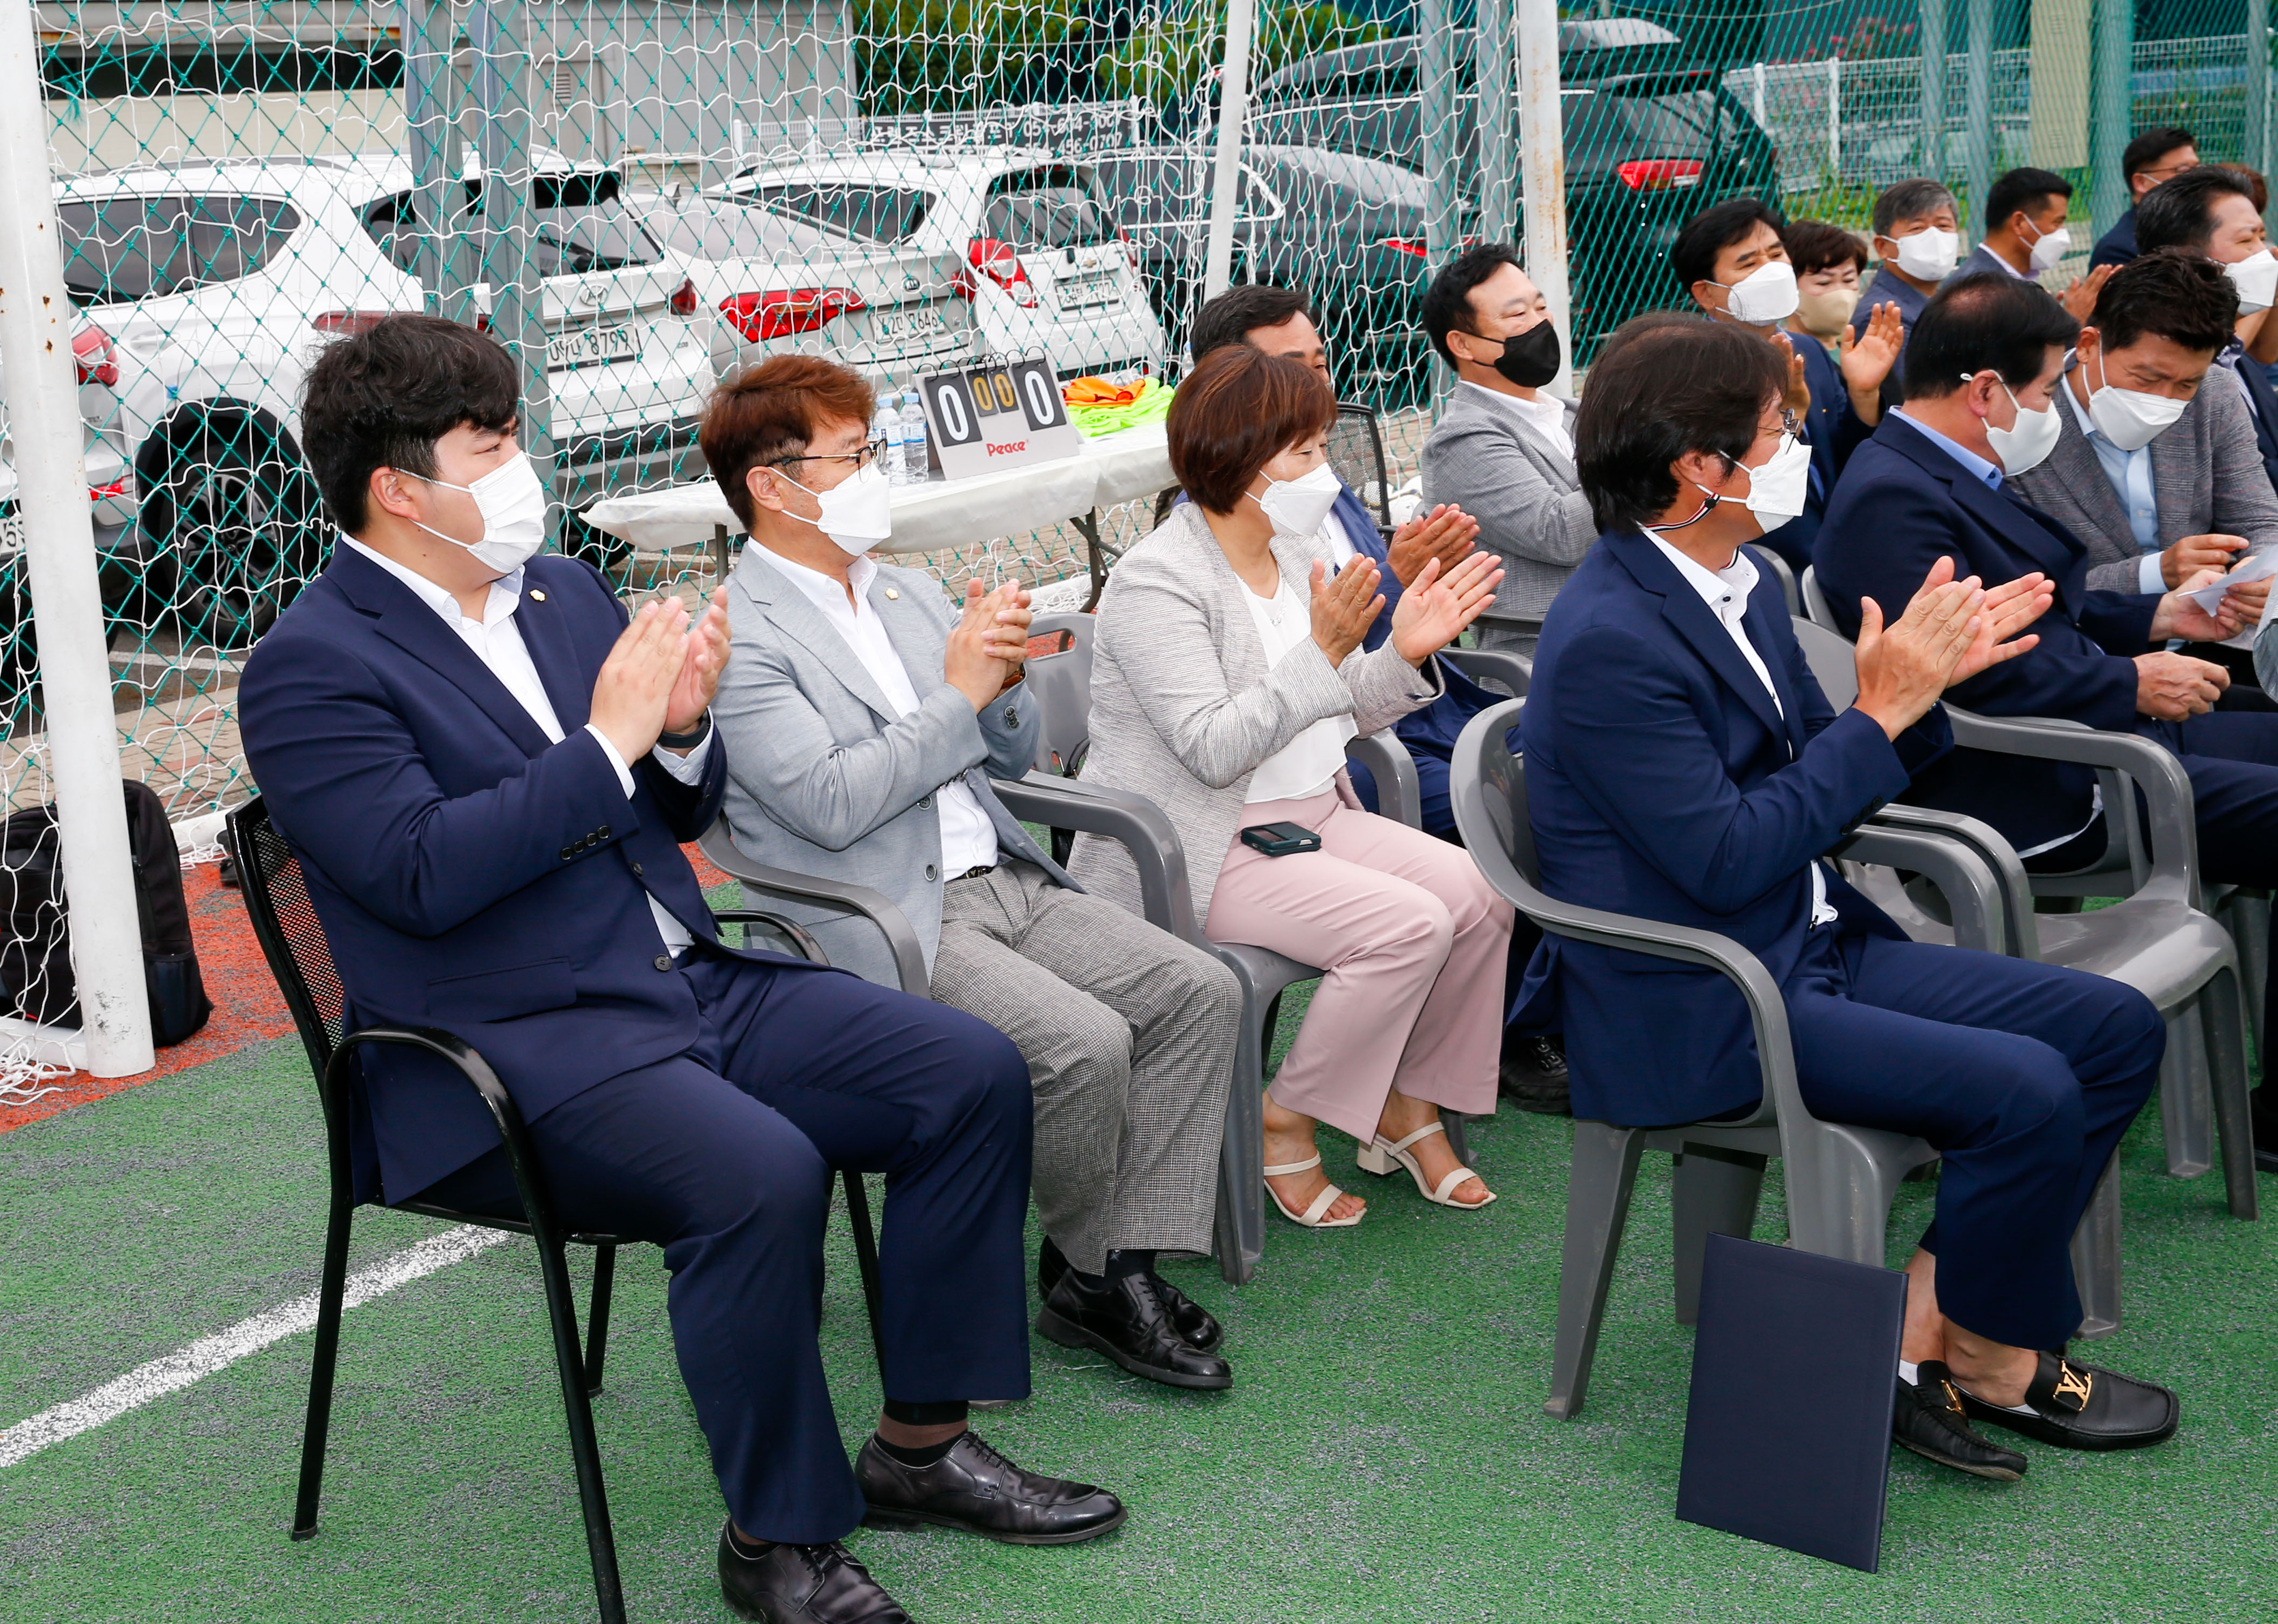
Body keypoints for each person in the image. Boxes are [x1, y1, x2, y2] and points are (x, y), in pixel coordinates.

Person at [236, 316, 1121, 1624]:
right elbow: (420, 872)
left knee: (966, 1070)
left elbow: (672, 817)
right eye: (490, 446)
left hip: (674, 979)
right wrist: (608, 742)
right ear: (399, 489)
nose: (521, 468)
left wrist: (684, 734)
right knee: (758, 1171)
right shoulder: (309, 666)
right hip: (509, 1048)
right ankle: (778, 1541)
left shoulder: (560, 594)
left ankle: (919, 1448)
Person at [1520, 313, 2177, 1482]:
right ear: (1699, 468)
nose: (1802, 445)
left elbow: (1830, 774)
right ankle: (1993, 1357)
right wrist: (1883, 710)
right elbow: (1729, 856)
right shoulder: (1610, 637)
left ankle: (1930, 1328)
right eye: (1777, 430)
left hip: (1806, 939)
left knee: (2113, 1029)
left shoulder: (1739, 579)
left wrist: (1921, 694)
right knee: (2026, 1090)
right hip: (1713, 995)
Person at [702, 354, 1242, 1393]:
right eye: (853, 455)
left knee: (1198, 992)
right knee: (1084, 1046)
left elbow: (1009, 758)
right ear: (772, 486)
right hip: (891, 910)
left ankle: (1103, 1264)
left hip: (1003, 873)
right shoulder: (739, 639)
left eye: (870, 449)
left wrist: (1003, 683)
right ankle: (1099, 1271)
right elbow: (831, 804)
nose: (874, 473)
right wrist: (960, 694)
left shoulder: (902, 589)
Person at [1817, 273, 2278, 1179]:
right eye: (2041, 392)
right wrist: (2128, 681)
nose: (2048, 412)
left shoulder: (1943, 470)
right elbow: (1973, 672)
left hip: (2096, 738)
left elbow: (2031, 613)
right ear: (1985, 391)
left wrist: (2158, 619)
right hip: (2042, 780)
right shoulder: (1895, 495)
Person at [1072, 344, 1512, 1228]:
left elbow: (1340, 710)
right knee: (1407, 924)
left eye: (1319, 446)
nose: (1324, 471)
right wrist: (1323, 651)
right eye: (1304, 452)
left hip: (1314, 815)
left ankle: (1406, 1102)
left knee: (1480, 894)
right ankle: (1286, 1115)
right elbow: (1211, 748)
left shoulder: (1296, 546)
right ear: (1235, 461)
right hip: (1205, 843)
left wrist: (1406, 652)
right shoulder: (1158, 581)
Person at [1185, 282, 1504, 841]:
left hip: (1418, 706)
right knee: (1520, 808)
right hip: (1353, 750)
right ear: (1229, 386)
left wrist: (1414, 584)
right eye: (1293, 369)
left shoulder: (1315, 479)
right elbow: (1285, 670)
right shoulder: (1220, 532)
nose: (1317, 384)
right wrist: (1393, 579)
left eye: (1320, 364)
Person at [2004, 249, 2278, 688]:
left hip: (2221, 644)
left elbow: (2258, 518)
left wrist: (2263, 577)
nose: (2164, 400)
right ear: (2088, 345)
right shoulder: (2020, 422)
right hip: (2090, 663)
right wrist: (2155, 572)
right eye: (2146, 378)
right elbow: (2029, 588)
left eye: (2185, 383)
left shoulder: (2214, 393)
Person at [1673, 197, 1902, 573]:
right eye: (1748, 263)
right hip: (1764, 567)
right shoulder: (1695, 375)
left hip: (1838, 552)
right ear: (1706, 293)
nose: (1771, 270)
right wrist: (1789, 418)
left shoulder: (1807, 350)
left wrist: (1864, 394)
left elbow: (1846, 456)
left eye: (1777, 254)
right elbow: (1732, 485)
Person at [1417, 244, 1594, 656]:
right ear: (1463, 344)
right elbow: (1561, 533)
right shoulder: (1462, 439)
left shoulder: (1573, 413)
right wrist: (1647, 464)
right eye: (1517, 315)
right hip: (1551, 653)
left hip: (1634, 624)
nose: (1540, 323)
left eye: (1541, 307)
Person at [2134, 164, 2278, 495]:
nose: (2266, 256)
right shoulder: (2165, 377)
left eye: (2262, 237)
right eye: (2246, 240)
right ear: (2187, 257)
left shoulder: (2232, 350)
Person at [1943, 168, 2114, 322]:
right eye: (2057, 222)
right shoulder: (1978, 294)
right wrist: (2073, 323)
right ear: (2019, 223)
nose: (2063, 233)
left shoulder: (2010, 282)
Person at [1853, 177, 1961, 364]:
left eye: (1943, 226)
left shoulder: (1943, 302)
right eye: (1917, 228)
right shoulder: (1884, 317)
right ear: (1882, 247)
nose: (1934, 238)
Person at [2092, 125, 2202, 270]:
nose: (2196, 178)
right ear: (2141, 182)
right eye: (2183, 171)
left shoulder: (2200, 230)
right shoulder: (2118, 251)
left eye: (2198, 169)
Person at [1783, 218, 1869, 352]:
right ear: (1789, 286)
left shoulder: (1860, 354)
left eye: (1848, 280)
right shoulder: (1783, 357)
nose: (1841, 295)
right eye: (1824, 283)